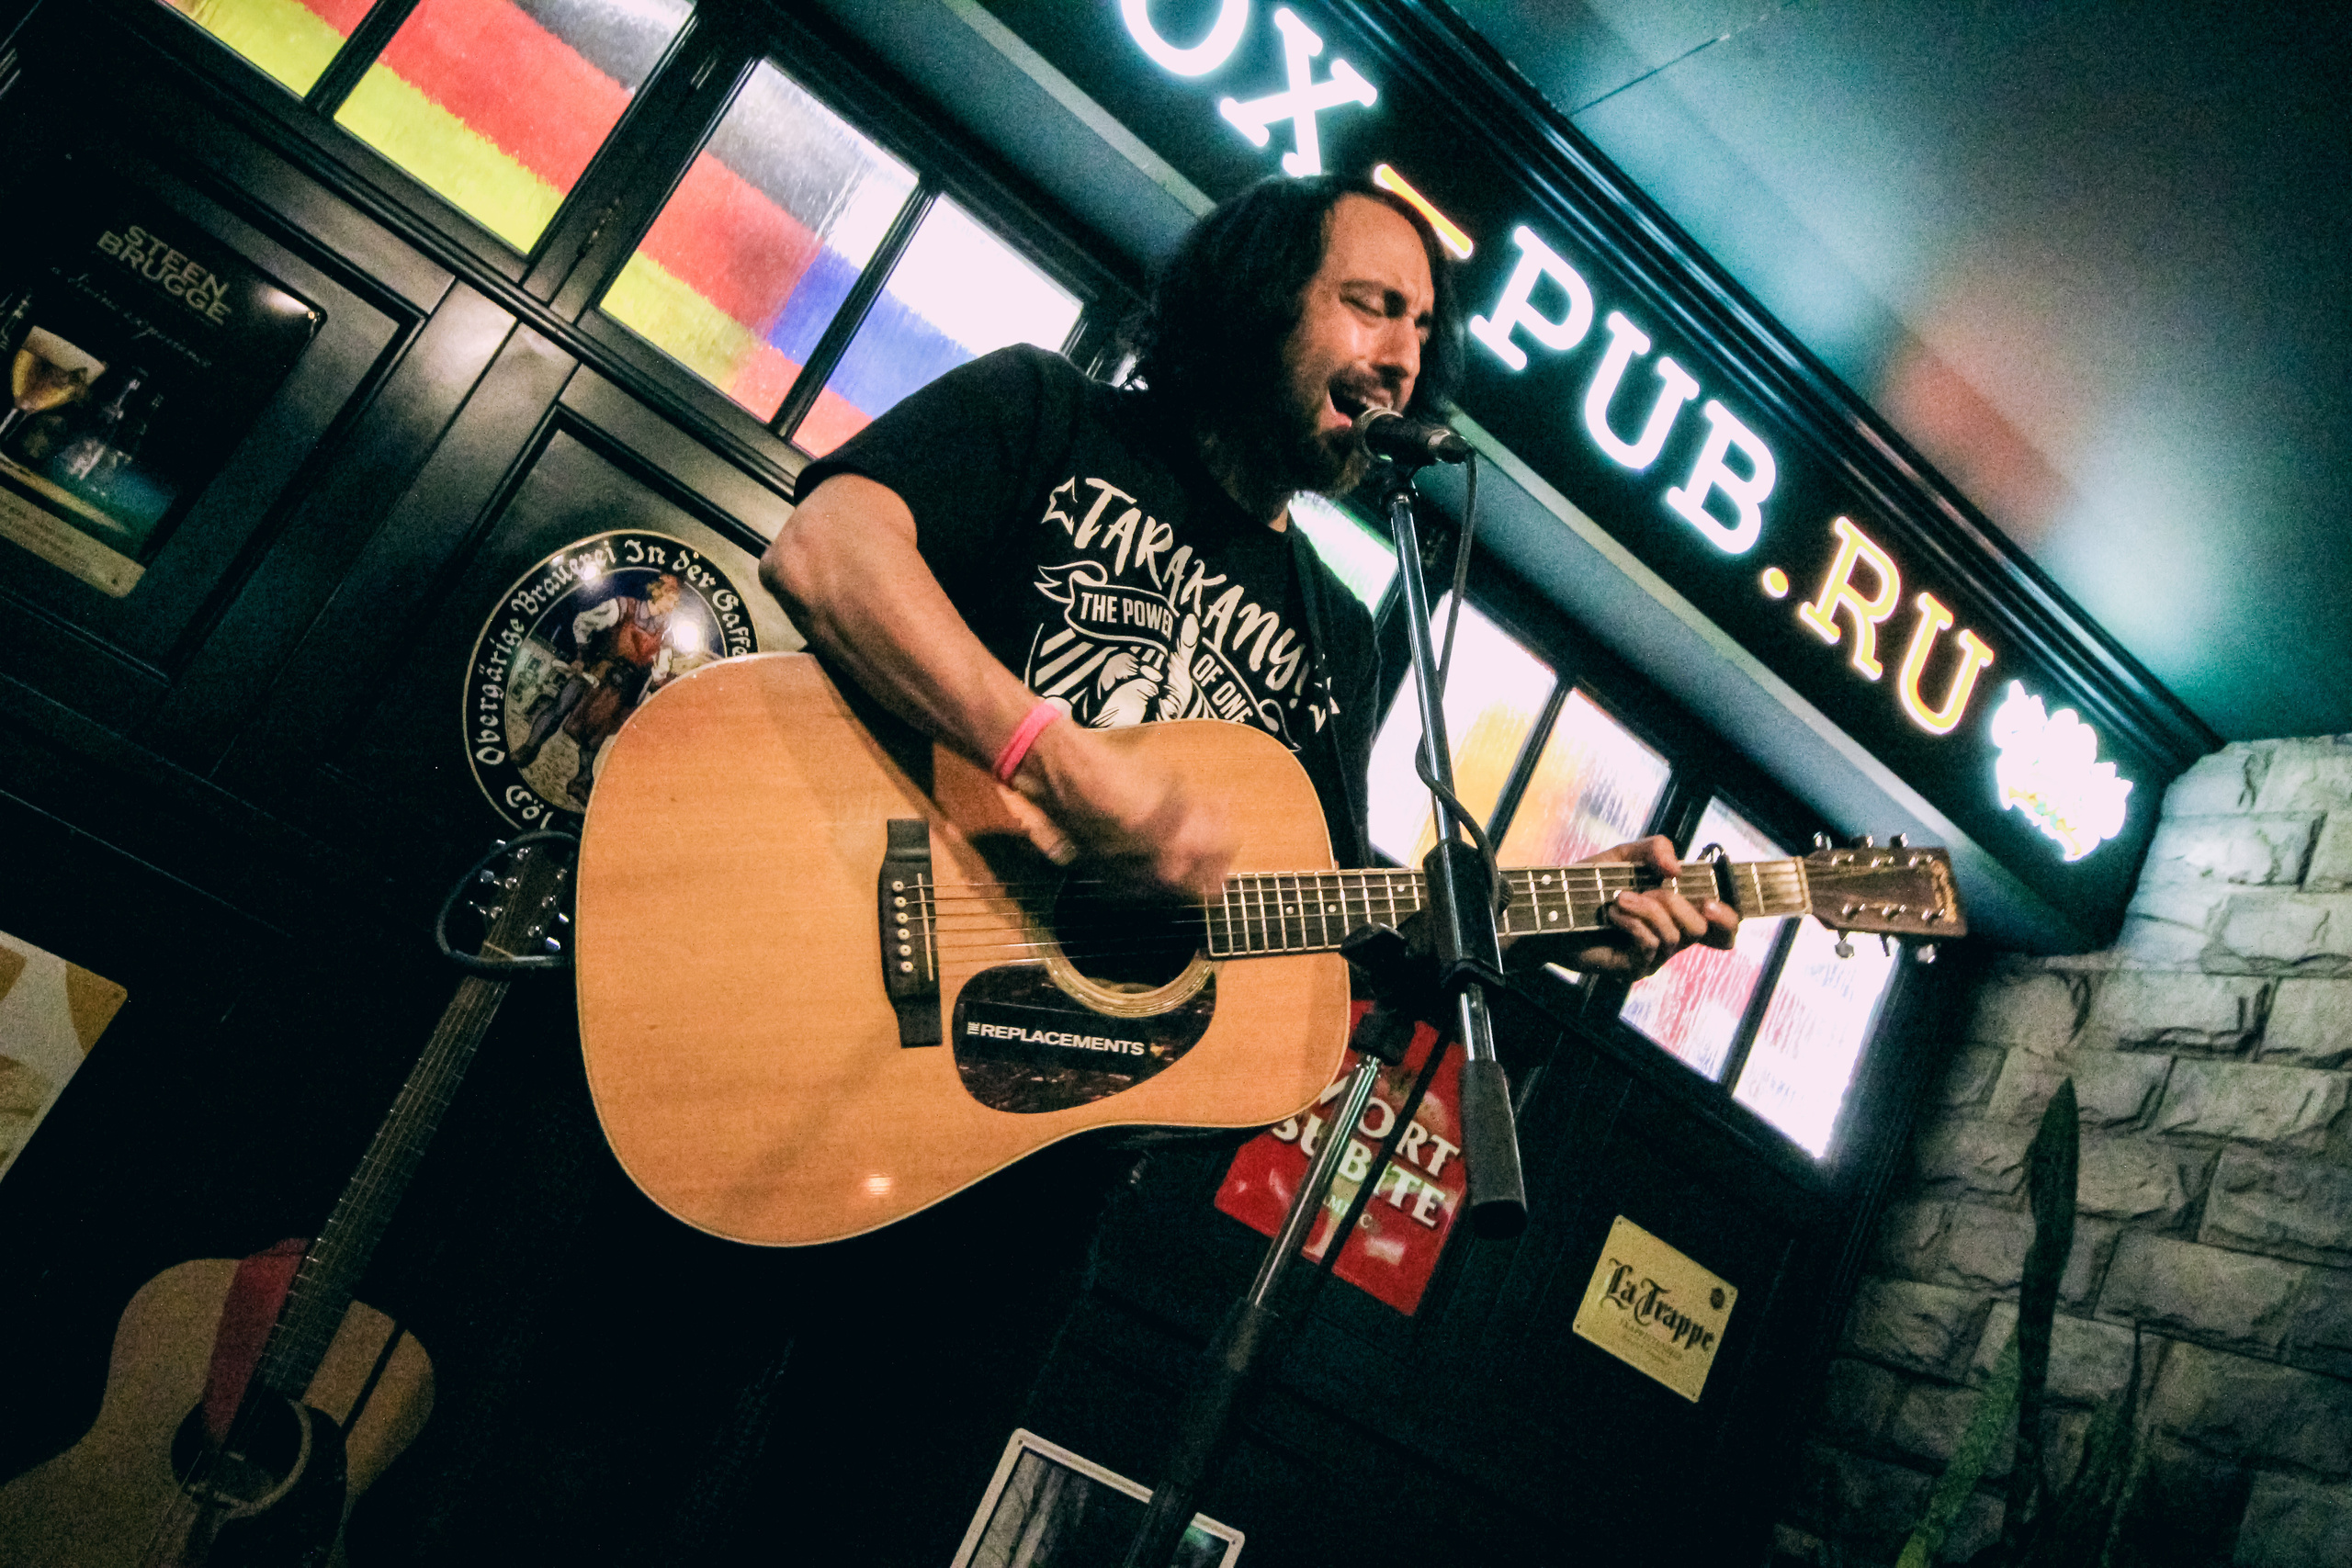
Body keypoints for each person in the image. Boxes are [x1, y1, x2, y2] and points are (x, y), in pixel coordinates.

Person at [763, 173, 1737, 978]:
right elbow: (825, 550)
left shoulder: (1337, 631)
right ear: (1256, 300)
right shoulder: (1047, 413)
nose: (1402, 359)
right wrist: (1053, 762)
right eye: (1371, 308)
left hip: (1050, 1145)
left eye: (1422, 330)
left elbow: (1327, 916)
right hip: (822, 929)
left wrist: (1521, 926)